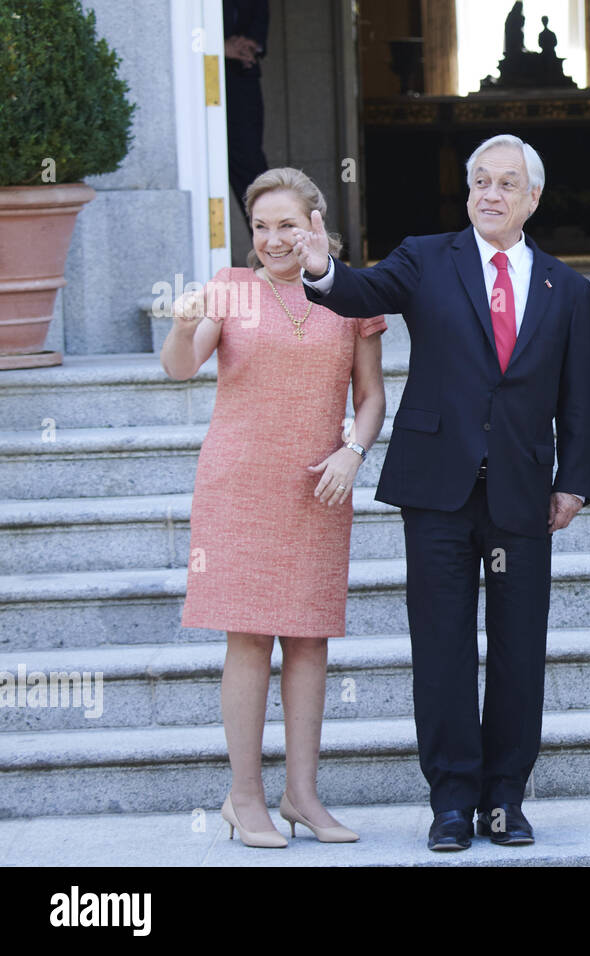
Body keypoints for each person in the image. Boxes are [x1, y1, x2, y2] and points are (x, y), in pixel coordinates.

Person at [293, 134, 590, 852]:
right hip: (437, 490)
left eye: (505, 184)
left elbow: (575, 397)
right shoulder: (427, 258)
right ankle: (453, 802)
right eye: (479, 182)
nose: (490, 194)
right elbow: (361, 290)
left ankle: (505, 801)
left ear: (533, 198)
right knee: (442, 648)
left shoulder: (567, 288)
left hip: (522, 494)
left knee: (520, 650)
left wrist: (574, 482)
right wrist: (321, 270)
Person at [162, 167, 386, 848]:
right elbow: (181, 368)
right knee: (250, 634)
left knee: (311, 637)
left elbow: (371, 398)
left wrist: (353, 452)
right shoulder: (230, 289)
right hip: (238, 486)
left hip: (318, 485)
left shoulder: (352, 294)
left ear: (316, 223)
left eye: (287, 224)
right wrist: (182, 325)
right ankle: (244, 796)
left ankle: (302, 795)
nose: (273, 239)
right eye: (261, 227)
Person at [223, 0, 270, 234]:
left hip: (243, 78)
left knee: (251, 165)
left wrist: (251, 44)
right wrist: (218, 47)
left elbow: (260, 13)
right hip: (201, 82)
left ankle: (273, 246)